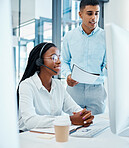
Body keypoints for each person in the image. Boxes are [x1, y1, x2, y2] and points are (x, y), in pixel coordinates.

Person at [17, 42, 94, 132]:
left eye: (59, 57)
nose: (59, 61)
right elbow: (30, 122)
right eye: (54, 57)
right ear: (39, 61)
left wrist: (84, 116)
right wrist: (70, 120)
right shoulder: (27, 85)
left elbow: (74, 108)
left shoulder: (58, 85)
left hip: (51, 134)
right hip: (28, 136)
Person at [61, 0, 107, 115]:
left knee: (97, 126)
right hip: (74, 89)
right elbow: (64, 61)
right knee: (72, 127)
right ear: (80, 14)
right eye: (90, 13)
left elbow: (107, 64)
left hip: (97, 90)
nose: (94, 18)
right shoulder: (69, 36)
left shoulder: (106, 37)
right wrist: (68, 75)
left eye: (97, 13)